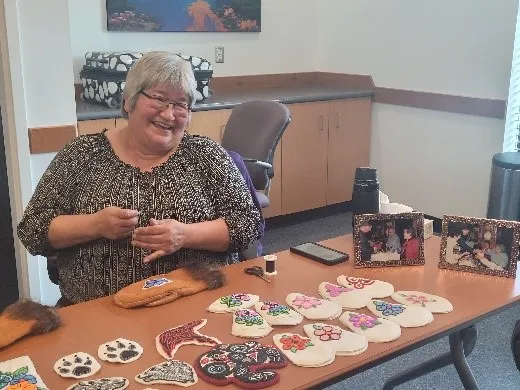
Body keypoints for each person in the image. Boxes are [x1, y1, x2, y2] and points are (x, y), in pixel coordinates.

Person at [17, 51, 263, 306]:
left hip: (197, 306)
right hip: (98, 312)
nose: (169, 115)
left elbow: (247, 225)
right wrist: (96, 225)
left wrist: (184, 235)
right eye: (159, 99)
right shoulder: (82, 155)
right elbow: (33, 229)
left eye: (181, 105)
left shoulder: (207, 155)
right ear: (128, 102)